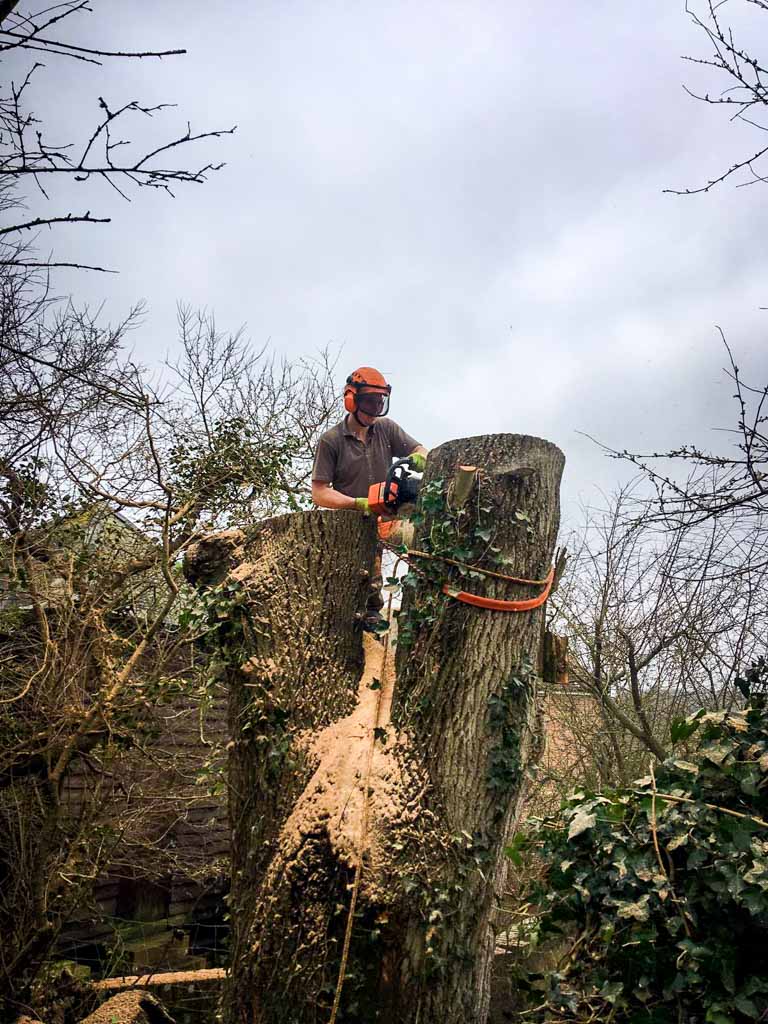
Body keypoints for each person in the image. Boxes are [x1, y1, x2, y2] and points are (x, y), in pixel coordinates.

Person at [311, 367, 428, 628]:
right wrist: (355, 503)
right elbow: (319, 492)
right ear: (352, 399)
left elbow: (419, 448)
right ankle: (370, 618)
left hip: (389, 515)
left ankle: (427, 595)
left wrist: (420, 455)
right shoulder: (331, 441)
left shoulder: (385, 429)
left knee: (423, 539)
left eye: (379, 401)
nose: (375, 408)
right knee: (368, 581)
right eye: (369, 401)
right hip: (355, 524)